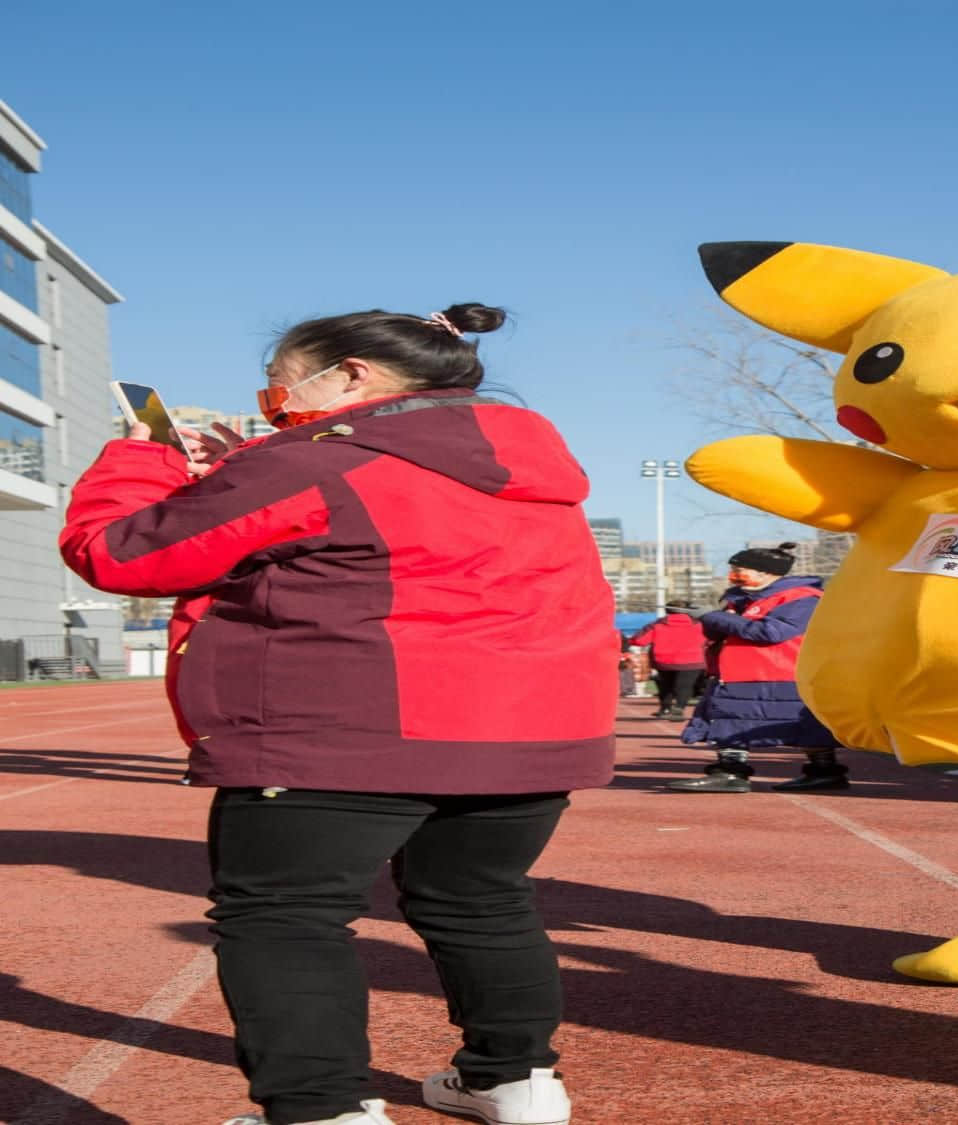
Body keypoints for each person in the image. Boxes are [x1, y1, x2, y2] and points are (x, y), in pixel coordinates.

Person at [60, 303, 614, 1125]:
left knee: (286, 916)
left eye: (279, 391)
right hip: (532, 729)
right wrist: (252, 463)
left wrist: (145, 456)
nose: (275, 406)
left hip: (341, 726)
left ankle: (322, 1110)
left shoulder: (315, 461)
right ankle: (517, 1080)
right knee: (483, 900)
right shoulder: (534, 469)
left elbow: (117, 551)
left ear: (352, 373)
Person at [667, 543, 847, 793]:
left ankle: (824, 772)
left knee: (805, 726)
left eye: (740, 570)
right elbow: (726, 630)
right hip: (738, 672)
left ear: (767, 573)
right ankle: (730, 771)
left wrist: (712, 616)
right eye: (733, 570)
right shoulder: (738, 599)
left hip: (779, 672)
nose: (734, 575)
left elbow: (771, 631)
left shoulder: (802, 598)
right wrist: (704, 616)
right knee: (729, 720)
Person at [625, 603, 708, 718]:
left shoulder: (656, 624)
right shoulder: (700, 625)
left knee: (665, 685)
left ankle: (665, 708)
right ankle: (679, 707)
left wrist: (629, 641)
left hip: (664, 660)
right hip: (693, 660)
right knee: (685, 686)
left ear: (667, 611)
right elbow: (711, 639)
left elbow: (640, 640)